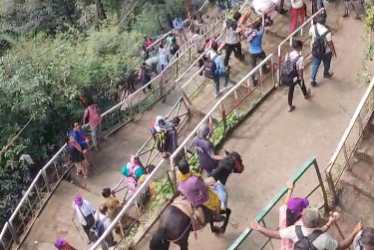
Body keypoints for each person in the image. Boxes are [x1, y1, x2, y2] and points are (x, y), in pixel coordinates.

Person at [250, 209, 364, 250]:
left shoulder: (294, 230)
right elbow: (341, 246)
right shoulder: (324, 239)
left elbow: (275, 234)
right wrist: (354, 232)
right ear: (316, 223)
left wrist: (259, 227)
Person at [279, 180, 309, 250]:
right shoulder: (302, 223)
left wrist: (290, 190)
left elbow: (284, 204)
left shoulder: (283, 213)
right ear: (300, 211)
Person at [283, 39, 311, 112]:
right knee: (301, 83)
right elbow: (300, 69)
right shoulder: (300, 58)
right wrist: (301, 78)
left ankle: (290, 106)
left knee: (291, 89)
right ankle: (305, 95)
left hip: (289, 75)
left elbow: (286, 64)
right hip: (296, 75)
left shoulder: (288, 54)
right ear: (299, 48)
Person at [309, 19, 336, 87]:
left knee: (315, 65)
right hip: (325, 52)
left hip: (315, 50)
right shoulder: (327, 32)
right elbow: (330, 44)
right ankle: (326, 73)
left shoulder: (313, 27)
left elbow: (310, 36)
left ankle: (312, 79)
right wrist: (334, 53)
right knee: (327, 63)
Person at [247, 21, 267, 86]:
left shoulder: (250, 33)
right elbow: (263, 29)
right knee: (264, 58)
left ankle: (253, 79)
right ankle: (264, 69)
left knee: (253, 65)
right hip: (259, 50)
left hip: (251, 51)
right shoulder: (260, 33)